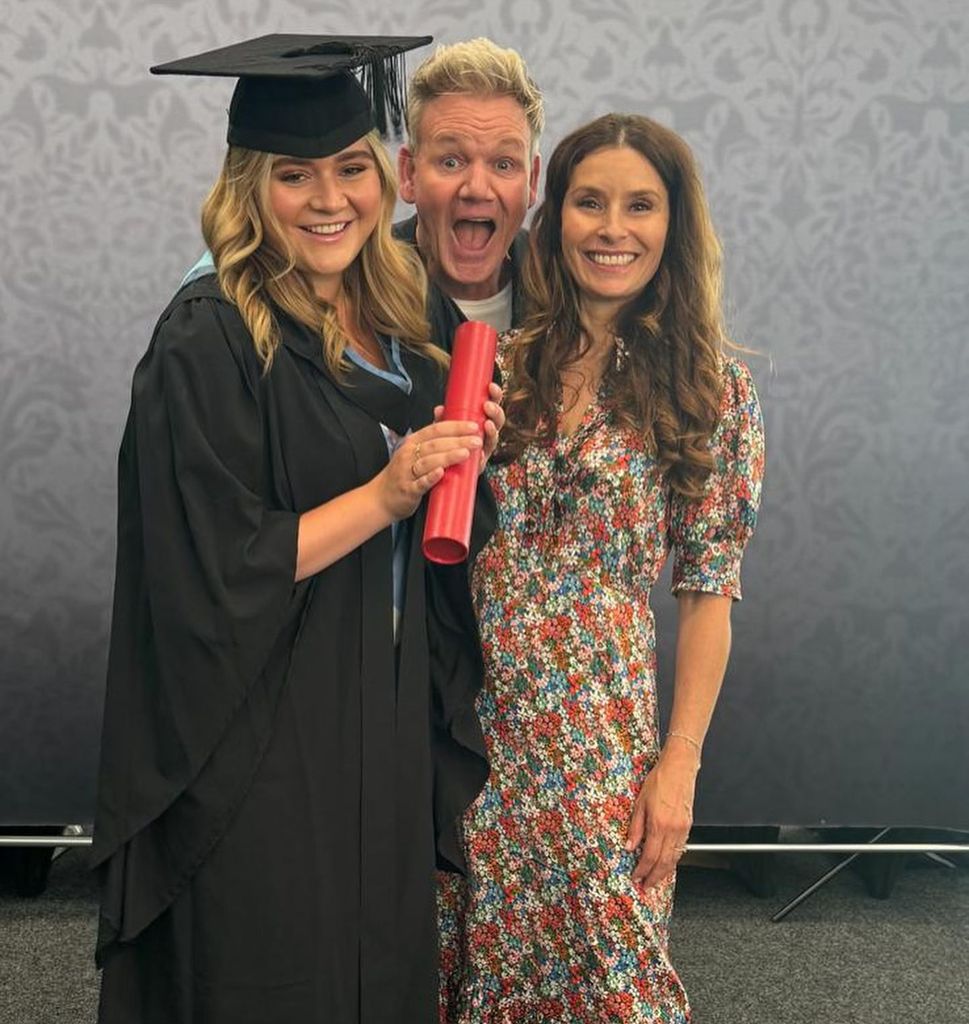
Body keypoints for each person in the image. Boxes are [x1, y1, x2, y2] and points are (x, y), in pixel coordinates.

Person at [91, 34, 504, 1024]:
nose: (330, 199)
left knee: (374, 965)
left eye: (351, 169)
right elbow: (207, 565)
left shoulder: (408, 317)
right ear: (250, 186)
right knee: (276, 970)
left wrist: (466, 453)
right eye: (295, 175)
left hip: (383, 712)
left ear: (381, 174)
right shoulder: (212, 336)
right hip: (265, 732)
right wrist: (387, 492)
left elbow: (447, 534)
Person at [437, 113, 766, 1021]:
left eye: (639, 205)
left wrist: (679, 769)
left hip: (602, 752)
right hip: (472, 739)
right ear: (555, 216)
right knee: (469, 974)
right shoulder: (494, 366)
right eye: (589, 201)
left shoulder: (713, 393)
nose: (612, 228)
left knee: (610, 987)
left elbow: (708, 598)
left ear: (672, 226)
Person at [394, 38, 544, 341]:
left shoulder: (564, 289)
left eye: (503, 165)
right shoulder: (356, 290)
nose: (477, 189)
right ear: (409, 174)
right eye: (451, 162)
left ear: (531, 182)